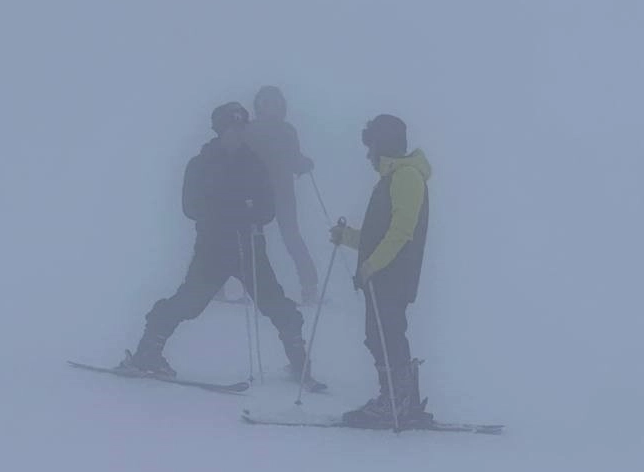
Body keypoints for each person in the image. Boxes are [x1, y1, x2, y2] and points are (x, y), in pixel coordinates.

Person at [122, 102, 323, 391]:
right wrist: (234, 209)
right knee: (188, 303)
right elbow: (190, 207)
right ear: (219, 131)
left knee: (276, 306)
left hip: (251, 248)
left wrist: (246, 212)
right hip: (212, 250)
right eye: (230, 130)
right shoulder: (201, 164)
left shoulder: (255, 163)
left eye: (240, 130)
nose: (236, 136)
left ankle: (300, 363)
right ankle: (146, 354)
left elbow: (268, 210)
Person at [330, 115, 432, 427]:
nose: (368, 155)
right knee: (380, 335)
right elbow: (379, 236)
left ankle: (397, 402)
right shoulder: (393, 178)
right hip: (383, 274)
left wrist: (371, 267)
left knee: (386, 334)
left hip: (392, 275)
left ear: (382, 145)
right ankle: (399, 400)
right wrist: (347, 238)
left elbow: (401, 232)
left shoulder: (406, 177)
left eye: (370, 145)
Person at [243, 85, 318, 304]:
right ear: (259, 106)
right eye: (267, 103)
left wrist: (303, 164)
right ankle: (252, 287)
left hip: (281, 193)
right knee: (253, 239)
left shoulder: (283, 131)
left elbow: (293, 159)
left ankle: (309, 286)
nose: (271, 108)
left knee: (290, 237)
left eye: (275, 103)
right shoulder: (255, 130)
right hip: (257, 193)